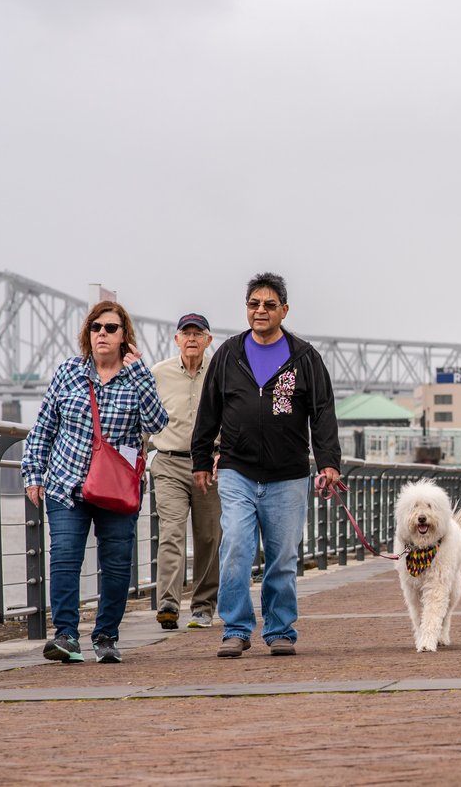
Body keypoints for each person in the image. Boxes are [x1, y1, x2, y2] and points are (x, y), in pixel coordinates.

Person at [191, 272, 341, 659]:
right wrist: (202, 459)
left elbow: (323, 414)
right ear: (247, 309)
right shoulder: (228, 354)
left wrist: (329, 464)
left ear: (284, 311)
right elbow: (209, 410)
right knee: (237, 547)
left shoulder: (304, 357)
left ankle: (279, 629)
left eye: (269, 305)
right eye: (254, 304)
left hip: (288, 475)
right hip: (237, 470)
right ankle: (237, 629)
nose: (261, 311)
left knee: (282, 557)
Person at [22, 301, 168, 664]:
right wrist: (33, 474)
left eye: (111, 328)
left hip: (115, 489)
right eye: (96, 327)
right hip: (66, 483)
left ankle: (106, 636)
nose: (102, 333)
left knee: (117, 564)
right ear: (87, 334)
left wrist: (141, 376)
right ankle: (67, 636)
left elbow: (156, 423)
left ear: (124, 337)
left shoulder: (137, 378)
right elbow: (43, 428)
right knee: (65, 558)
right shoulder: (68, 372)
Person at [149, 313, 222, 631]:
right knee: (171, 533)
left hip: (210, 463)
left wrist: (225, 453)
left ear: (209, 340)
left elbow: (233, 415)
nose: (192, 338)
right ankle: (167, 603)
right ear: (176, 339)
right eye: (186, 333)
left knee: (209, 537)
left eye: (198, 333)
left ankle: (203, 606)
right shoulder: (158, 373)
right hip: (167, 461)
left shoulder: (221, 371)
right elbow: (144, 417)